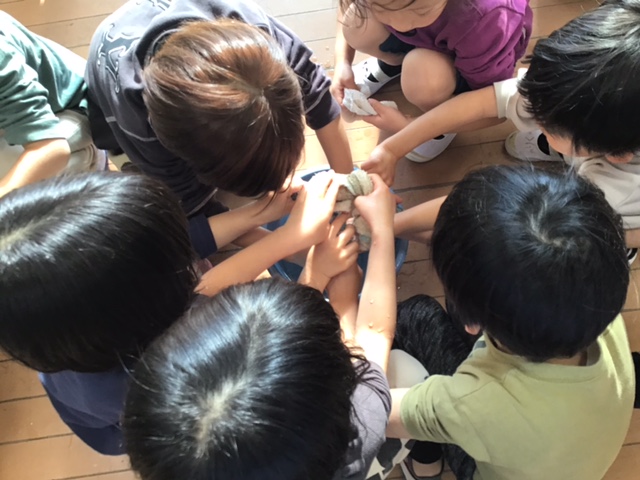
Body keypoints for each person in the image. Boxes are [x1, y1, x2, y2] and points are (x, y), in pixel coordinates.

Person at [0, 169, 342, 455]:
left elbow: (189, 267)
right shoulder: (153, 381)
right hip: (142, 423)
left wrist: (261, 214)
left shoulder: (64, 318)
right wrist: (314, 274)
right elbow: (271, 345)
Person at [122, 174, 406, 479]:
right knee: (406, 369)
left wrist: (301, 254)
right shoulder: (358, 435)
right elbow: (374, 335)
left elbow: (201, 293)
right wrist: (378, 239)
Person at [386, 165, 634, 479]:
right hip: (569, 445)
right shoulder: (594, 296)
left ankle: (425, 463)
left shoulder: (478, 403)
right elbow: (472, 216)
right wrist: (390, 225)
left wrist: (380, 241)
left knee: (414, 316)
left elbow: (379, 413)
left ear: (473, 324)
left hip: (498, 443)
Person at [364, 0, 640, 255]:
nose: (533, 115)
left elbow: (505, 209)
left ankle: (612, 240)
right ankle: (564, 150)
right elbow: (482, 103)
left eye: (547, 126)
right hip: (595, 143)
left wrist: (393, 224)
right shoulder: (571, 85)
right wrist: (392, 148)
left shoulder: (617, 189)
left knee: (575, 241)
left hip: (619, 218)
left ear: (616, 153)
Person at [85, 0, 353, 259]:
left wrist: (348, 187)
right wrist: (289, 246)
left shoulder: (254, 29)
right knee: (170, 206)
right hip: (113, 113)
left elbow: (320, 99)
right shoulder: (141, 122)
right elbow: (192, 214)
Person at [331, 0, 531, 162]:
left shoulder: (486, 18)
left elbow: (497, 107)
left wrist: (411, 127)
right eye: (382, 9)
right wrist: (342, 63)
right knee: (357, 22)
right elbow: (349, 6)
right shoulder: (406, 15)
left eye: (421, 12)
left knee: (423, 78)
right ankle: (393, 65)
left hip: (477, 54)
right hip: (438, 36)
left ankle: (441, 122)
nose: (400, 25)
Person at [0, 11, 105, 197]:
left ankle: (88, 160)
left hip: (72, 107)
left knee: (8, 168)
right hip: (18, 112)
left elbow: (50, 148)